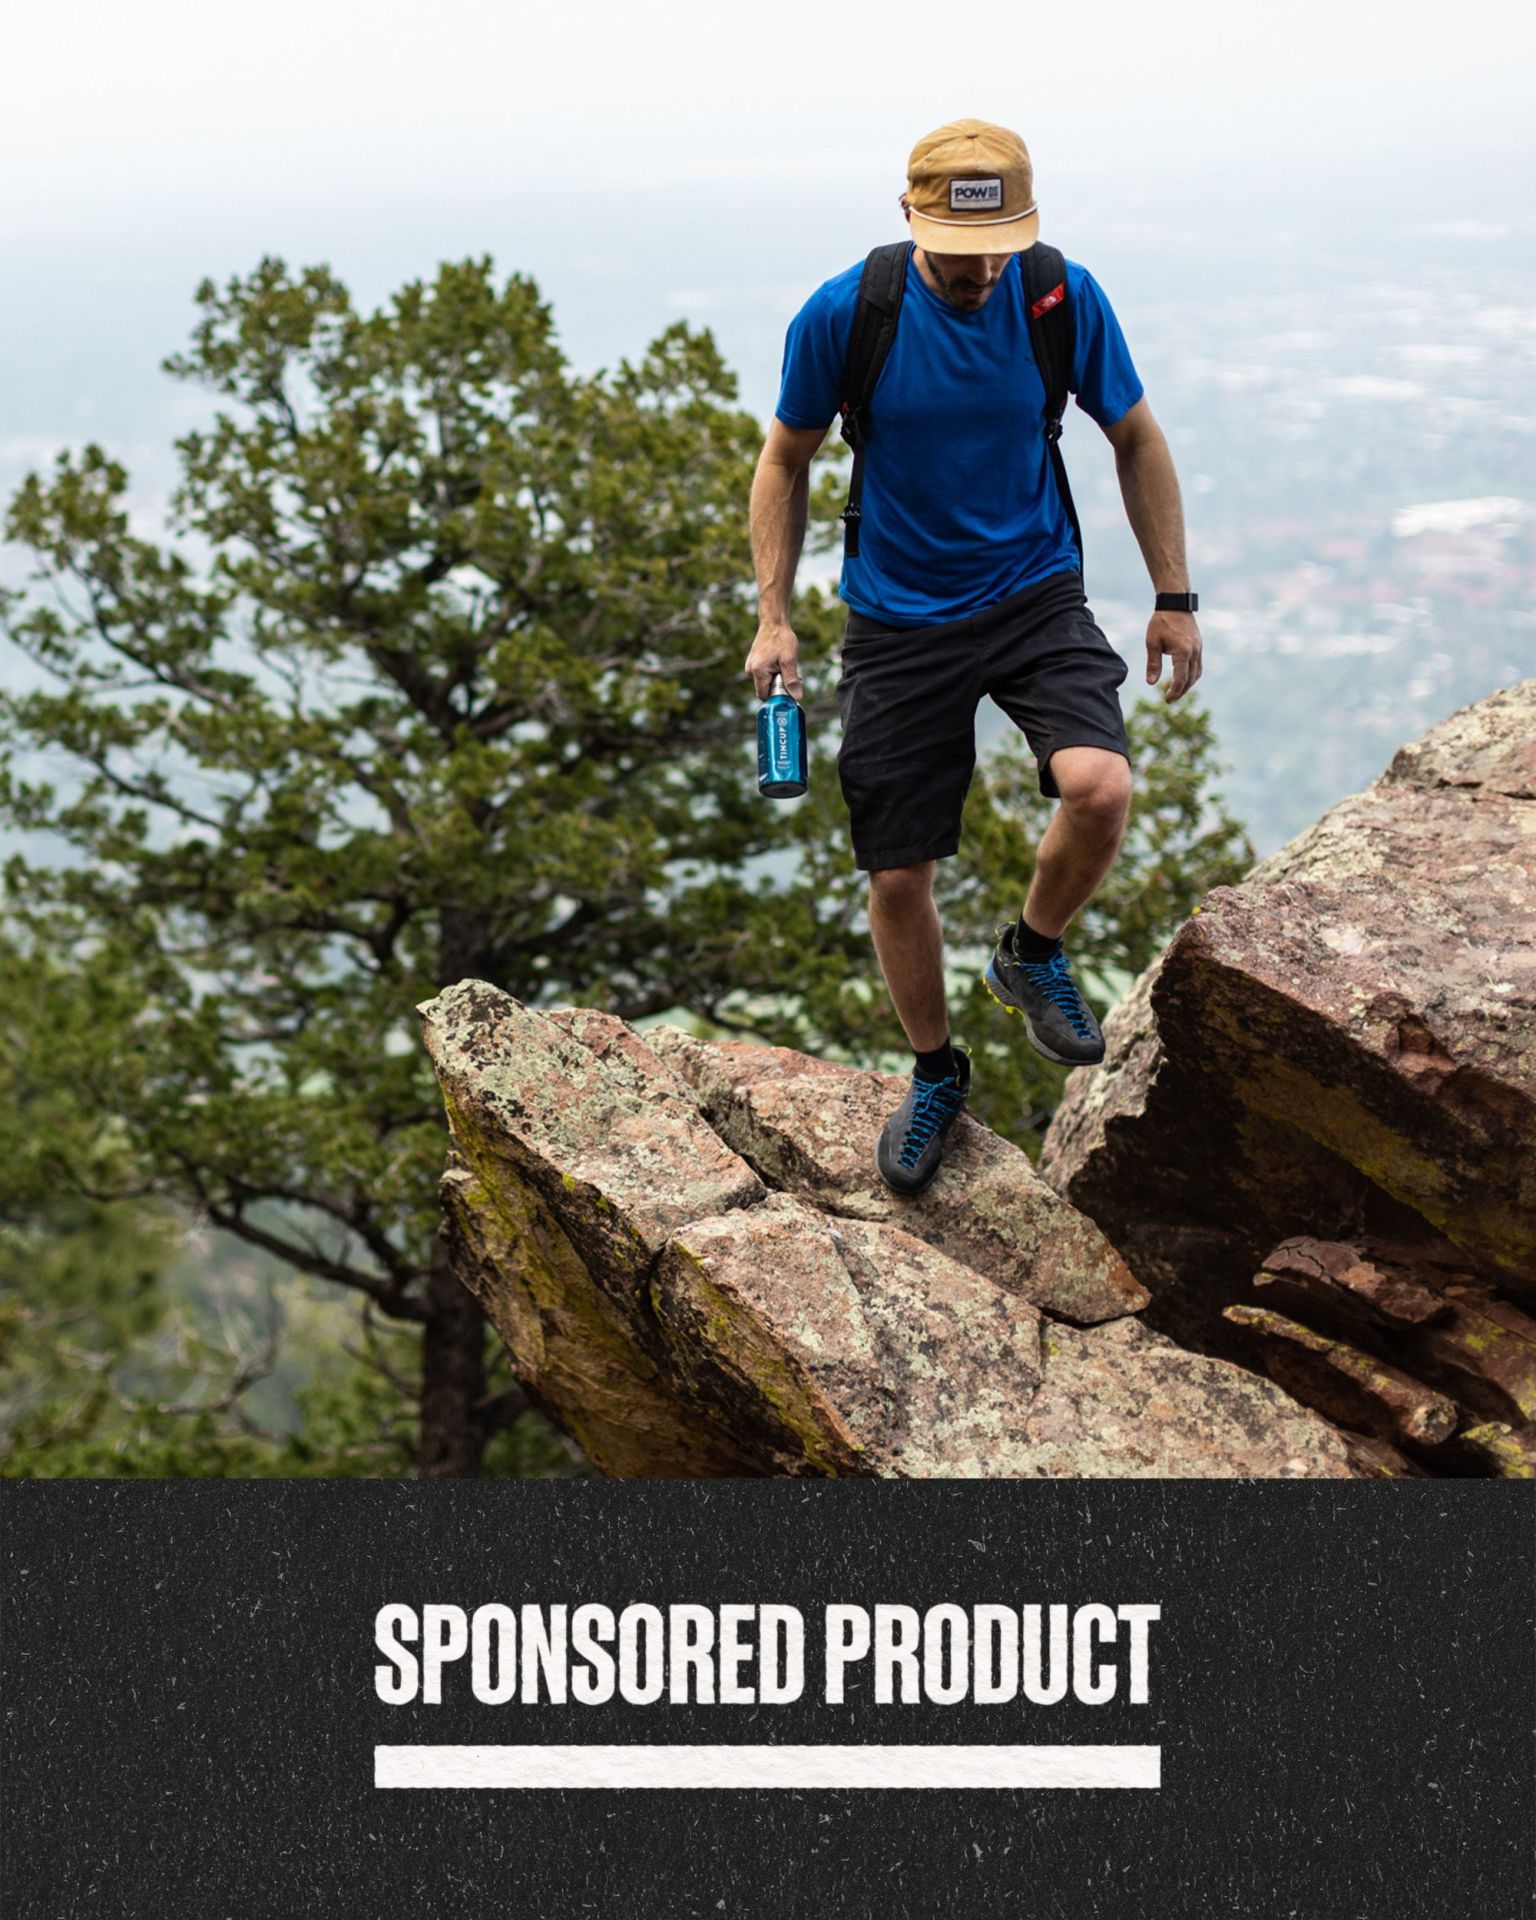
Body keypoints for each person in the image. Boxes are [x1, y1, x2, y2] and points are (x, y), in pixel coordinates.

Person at [746, 116, 1202, 1198]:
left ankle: (1032, 950)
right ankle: (936, 1071)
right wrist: (773, 616)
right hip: (898, 616)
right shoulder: (847, 313)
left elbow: (1133, 434)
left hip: (1032, 590)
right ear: (911, 223)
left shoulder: (1058, 295)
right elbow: (784, 458)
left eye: (998, 243)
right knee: (898, 871)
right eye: (956, 247)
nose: (980, 266)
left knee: (1100, 787)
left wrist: (1173, 597)